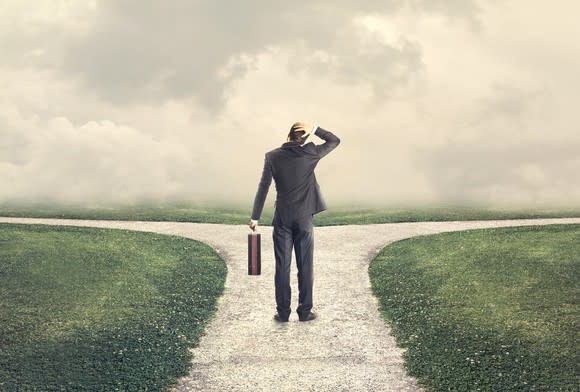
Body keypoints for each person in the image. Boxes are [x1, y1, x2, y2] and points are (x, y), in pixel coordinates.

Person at [249, 122, 341, 322]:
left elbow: (263, 187)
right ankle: (305, 312)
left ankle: (283, 313)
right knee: (305, 265)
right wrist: (316, 128)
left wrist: (255, 217)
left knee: (282, 266)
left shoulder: (272, 156)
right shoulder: (310, 153)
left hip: (282, 217)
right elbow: (334, 140)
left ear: (288, 134)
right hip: (304, 218)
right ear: (305, 138)